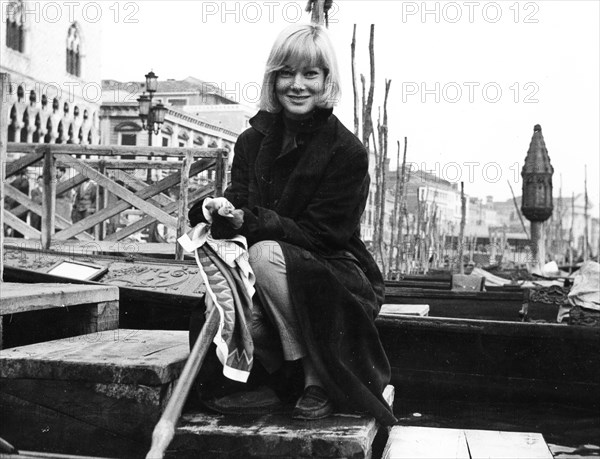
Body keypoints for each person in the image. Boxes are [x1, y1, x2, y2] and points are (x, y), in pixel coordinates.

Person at [188, 24, 396, 426]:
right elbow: (240, 199)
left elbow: (324, 236)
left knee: (263, 254)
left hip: (333, 276)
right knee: (222, 305)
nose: (297, 85)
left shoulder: (347, 152)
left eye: (309, 75)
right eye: (286, 73)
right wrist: (213, 209)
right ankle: (285, 379)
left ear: (325, 81)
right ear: (273, 79)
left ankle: (316, 379)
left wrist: (251, 221)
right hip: (272, 276)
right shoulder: (252, 140)